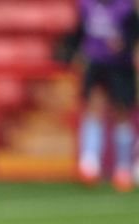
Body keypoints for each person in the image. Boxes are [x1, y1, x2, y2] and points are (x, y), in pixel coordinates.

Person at [71, 0, 139, 192]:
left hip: (121, 68)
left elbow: (134, 33)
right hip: (97, 64)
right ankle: (90, 163)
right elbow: (79, 32)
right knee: (94, 106)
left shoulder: (125, 8)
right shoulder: (86, 5)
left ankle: (123, 167)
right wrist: (73, 52)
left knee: (122, 113)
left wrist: (124, 43)